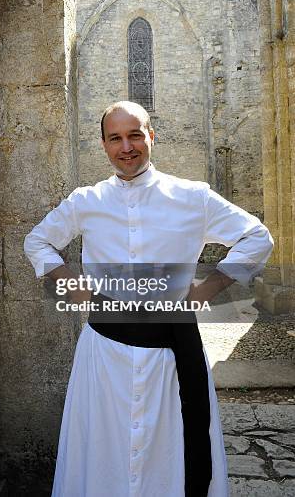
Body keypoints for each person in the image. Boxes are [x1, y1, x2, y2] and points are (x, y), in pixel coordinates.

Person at [24, 101, 273, 497]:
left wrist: (206, 290)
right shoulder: (86, 201)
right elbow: (37, 241)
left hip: (173, 353)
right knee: (105, 450)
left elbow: (257, 238)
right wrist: (77, 289)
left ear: (151, 136)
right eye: (116, 138)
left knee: (170, 452)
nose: (127, 147)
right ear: (104, 145)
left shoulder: (193, 197)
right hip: (105, 352)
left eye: (135, 134)